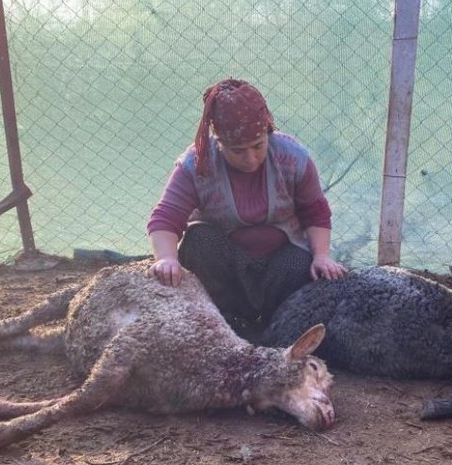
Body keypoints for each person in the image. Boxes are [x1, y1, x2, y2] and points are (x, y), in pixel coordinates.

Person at [146, 78, 347, 324]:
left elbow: (315, 212)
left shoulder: (294, 157)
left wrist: (322, 255)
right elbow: (165, 217)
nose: (250, 159)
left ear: (268, 132)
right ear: (218, 143)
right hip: (228, 269)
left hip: (280, 267)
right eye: (237, 150)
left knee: (301, 262)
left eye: (258, 146)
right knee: (199, 240)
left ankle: (276, 327)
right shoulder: (197, 163)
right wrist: (166, 258)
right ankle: (226, 323)